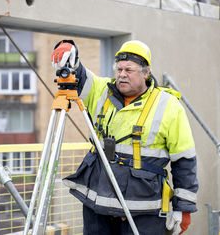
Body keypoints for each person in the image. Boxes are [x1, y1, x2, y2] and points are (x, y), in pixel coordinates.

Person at [51, 39, 198, 235]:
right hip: (98, 206)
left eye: (129, 70)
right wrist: (70, 53)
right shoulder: (102, 90)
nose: (122, 75)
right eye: (119, 69)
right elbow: (78, 75)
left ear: (146, 73)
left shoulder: (168, 106)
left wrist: (183, 207)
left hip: (142, 212)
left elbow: (184, 160)